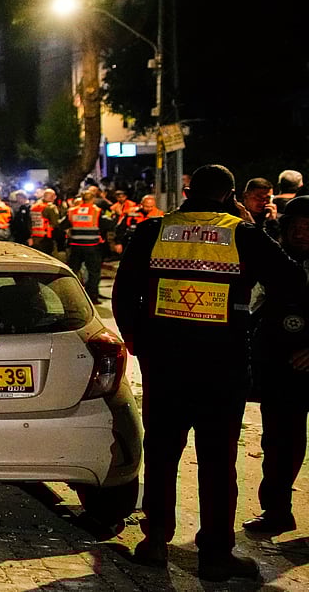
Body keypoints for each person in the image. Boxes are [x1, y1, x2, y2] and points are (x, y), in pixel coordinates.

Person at [113, 164, 306, 581]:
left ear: (187, 190)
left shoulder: (154, 231)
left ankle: (154, 542)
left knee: (163, 456)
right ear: (229, 195)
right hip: (222, 367)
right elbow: (292, 279)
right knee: (218, 462)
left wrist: (140, 345)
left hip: (165, 366)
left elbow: (124, 293)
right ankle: (216, 554)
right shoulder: (241, 234)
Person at [244, 196, 309, 536]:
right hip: (279, 371)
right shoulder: (273, 260)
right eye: (295, 227)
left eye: (308, 228)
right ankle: (277, 510)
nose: (301, 234)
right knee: (280, 443)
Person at [28, 189, 62, 255]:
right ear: (53, 197)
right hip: (46, 238)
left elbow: (29, 223)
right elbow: (55, 223)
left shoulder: (34, 207)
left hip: (35, 238)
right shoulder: (50, 207)